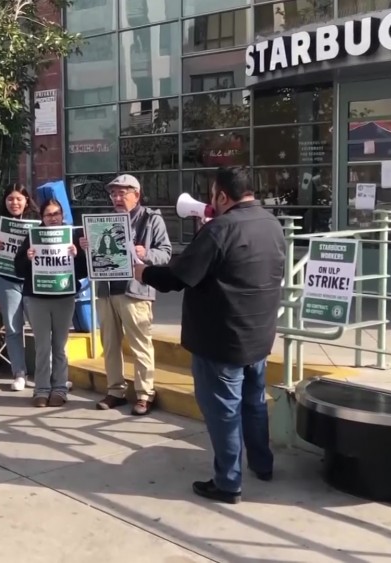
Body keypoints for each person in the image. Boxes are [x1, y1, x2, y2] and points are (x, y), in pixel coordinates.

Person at [134, 166, 283, 504]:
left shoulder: (219, 230)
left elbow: (178, 277)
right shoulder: (271, 223)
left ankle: (228, 483)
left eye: (213, 193)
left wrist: (144, 273)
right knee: (254, 404)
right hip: (258, 336)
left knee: (224, 412)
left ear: (222, 196)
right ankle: (262, 463)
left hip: (220, 341)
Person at [79, 173, 172, 416]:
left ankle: (145, 394)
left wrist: (146, 253)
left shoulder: (151, 219)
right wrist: (87, 247)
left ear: (136, 195)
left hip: (136, 291)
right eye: (113, 194)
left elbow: (166, 253)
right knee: (109, 344)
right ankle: (115, 391)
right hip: (107, 290)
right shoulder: (104, 220)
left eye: (122, 193)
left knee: (140, 344)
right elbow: (98, 256)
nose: (117, 198)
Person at [12, 198, 88, 407]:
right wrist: (27, 258)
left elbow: (84, 271)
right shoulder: (32, 237)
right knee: (43, 346)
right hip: (37, 298)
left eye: (56, 214)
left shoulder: (72, 235)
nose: (53, 218)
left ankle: (60, 389)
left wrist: (78, 255)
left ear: (62, 215)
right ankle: (41, 390)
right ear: (42, 217)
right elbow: (18, 269)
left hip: (64, 297)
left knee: (60, 346)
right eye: (48, 215)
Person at [0, 184, 37, 391]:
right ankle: (19, 373)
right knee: (13, 328)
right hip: (6, 279)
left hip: (32, 281)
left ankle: (47, 374)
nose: (14, 203)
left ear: (27, 200)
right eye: (10, 199)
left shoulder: (36, 221)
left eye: (19, 198)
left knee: (40, 329)